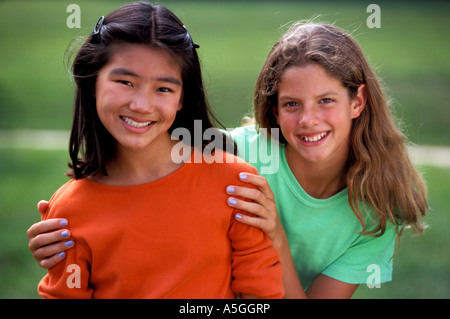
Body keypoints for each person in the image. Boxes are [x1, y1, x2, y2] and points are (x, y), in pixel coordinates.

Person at [28, 21, 428, 298]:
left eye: (326, 101)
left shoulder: (376, 209)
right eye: (291, 104)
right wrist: (75, 224)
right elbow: (147, 147)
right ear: (273, 109)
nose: (308, 120)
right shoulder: (234, 151)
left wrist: (274, 234)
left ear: (357, 101)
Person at [31, 1, 284, 299]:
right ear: (92, 82)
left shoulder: (234, 184)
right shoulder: (67, 212)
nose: (141, 105)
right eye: (125, 82)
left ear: (181, 98)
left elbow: (260, 295)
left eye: (163, 89)